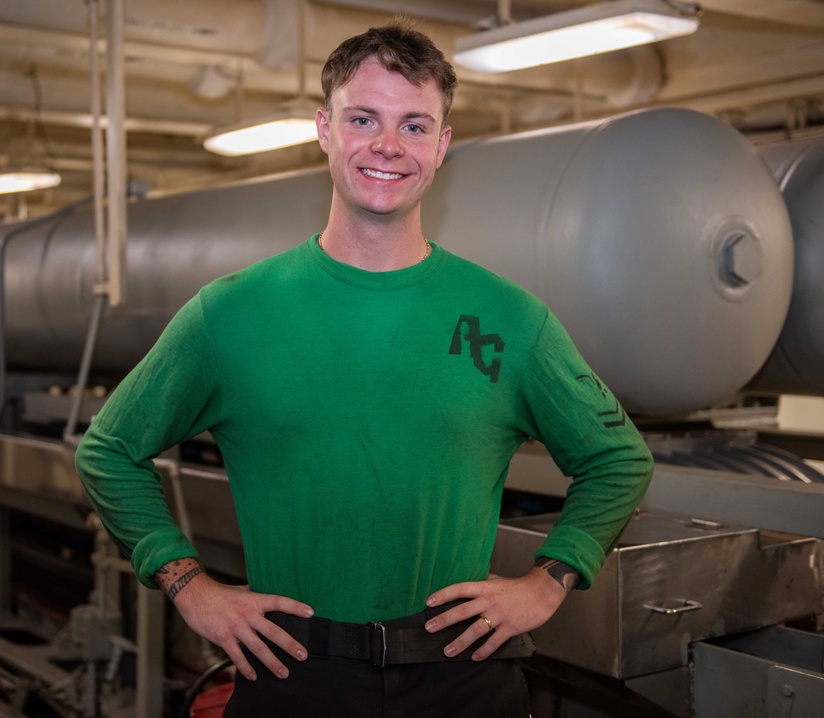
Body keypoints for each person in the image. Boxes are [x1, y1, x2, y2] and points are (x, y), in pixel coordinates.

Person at [75, 22, 654, 717]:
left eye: (414, 125)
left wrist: (550, 579)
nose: (387, 145)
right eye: (363, 119)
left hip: (460, 675)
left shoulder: (508, 319)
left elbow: (618, 459)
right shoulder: (230, 315)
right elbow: (108, 450)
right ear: (325, 128)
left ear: (441, 146)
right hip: (292, 670)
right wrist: (188, 585)